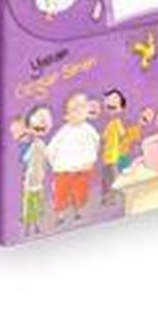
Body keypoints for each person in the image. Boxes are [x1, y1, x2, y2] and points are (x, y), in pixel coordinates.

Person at [46, 93, 100, 225]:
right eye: (74, 109)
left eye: (82, 107)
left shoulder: (89, 130)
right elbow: (51, 148)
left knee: (80, 191)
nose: (79, 111)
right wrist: (55, 164)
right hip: (64, 169)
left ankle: (78, 211)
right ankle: (60, 214)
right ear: (66, 116)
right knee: (61, 193)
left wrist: (90, 161)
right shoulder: (64, 131)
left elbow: (95, 144)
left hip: (83, 168)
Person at [101, 89, 154, 205]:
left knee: (117, 178)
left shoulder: (120, 123)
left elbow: (125, 137)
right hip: (111, 156)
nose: (109, 110)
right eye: (108, 106)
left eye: (113, 107)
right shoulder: (114, 123)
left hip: (118, 156)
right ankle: (109, 198)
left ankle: (114, 197)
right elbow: (106, 138)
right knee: (110, 178)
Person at [10, 106, 53, 236]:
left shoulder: (39, 144)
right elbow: (25, 159)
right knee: (30, 206)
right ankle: (29, 227)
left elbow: (46, 158)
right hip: (30, 183)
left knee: (37, 205)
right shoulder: (30, 146)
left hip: (38, 181)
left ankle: (35, 225)